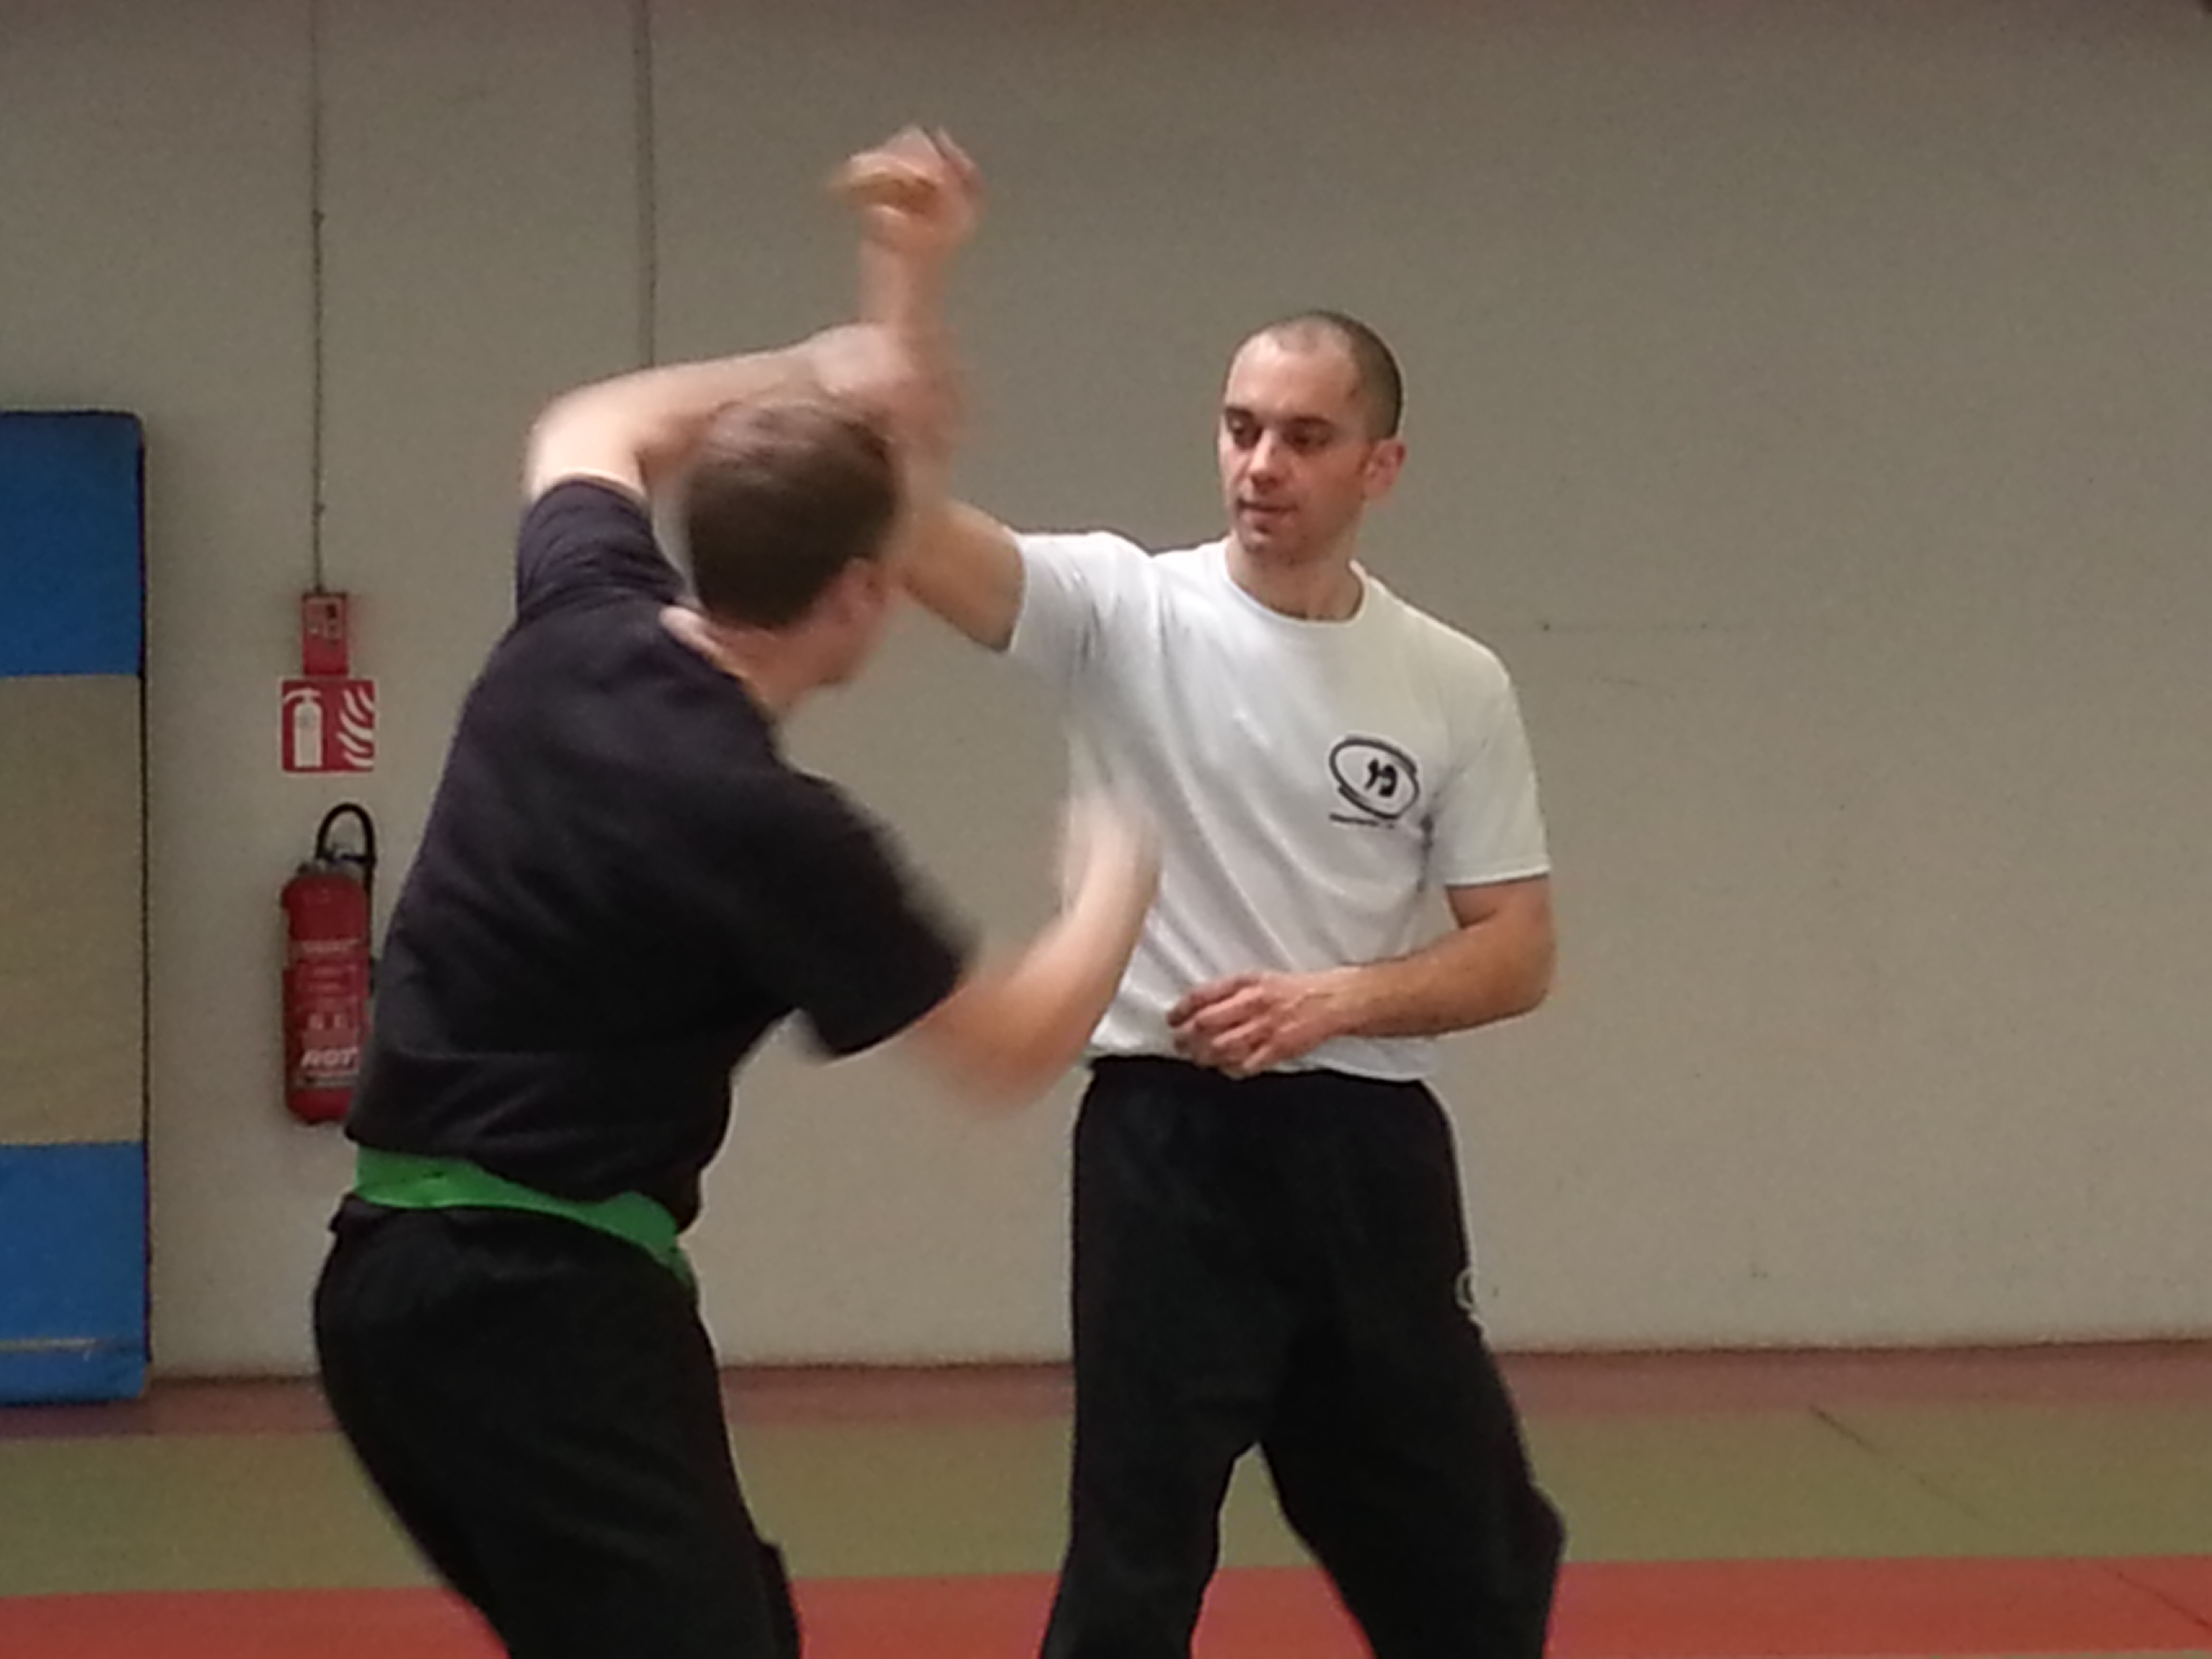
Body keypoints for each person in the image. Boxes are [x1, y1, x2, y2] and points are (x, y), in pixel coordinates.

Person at [310, 278, 1158, 1657]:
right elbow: (1007, 1045)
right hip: (538, 1309)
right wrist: (1118, 878)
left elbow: (592, 423)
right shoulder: (764, 825)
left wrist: (814, 369)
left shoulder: (577, 624)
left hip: (386, 1296)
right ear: (862, 594)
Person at [838, 131, 1565, 1659]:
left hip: (1368, 1150)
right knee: (1138, 1554)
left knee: (1482, 1559)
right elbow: (896, 524)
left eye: (1304, 437)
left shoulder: (1451, 682)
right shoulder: (1125, 608)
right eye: (1241, 429)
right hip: (1167, 1150)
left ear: (1379, 467)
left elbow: (1516, 952)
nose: (1260, 466)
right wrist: (910, 270)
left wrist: (1340, 1000)